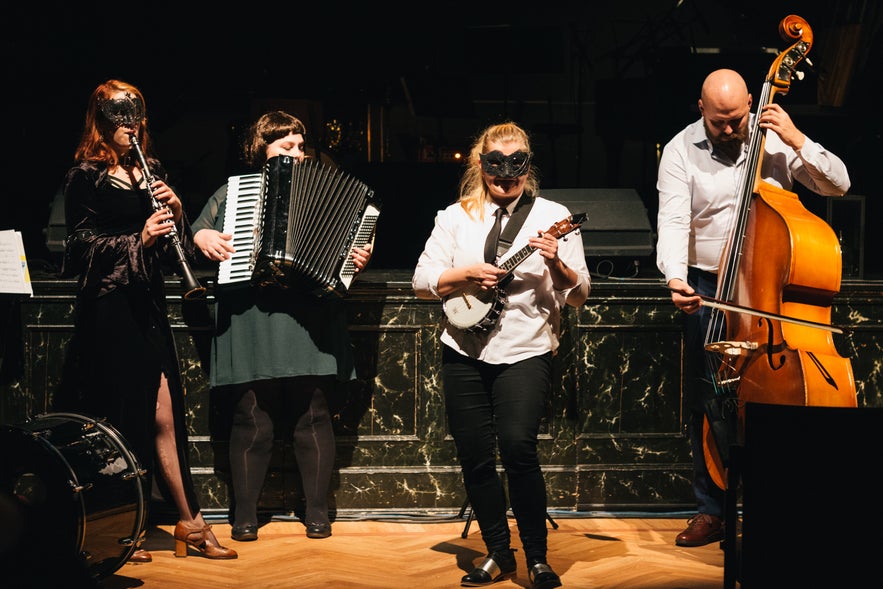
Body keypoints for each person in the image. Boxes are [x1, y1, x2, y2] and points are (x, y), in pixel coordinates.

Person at [656, 68, 851, 547]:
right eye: (719, 122)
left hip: (769, 286)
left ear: (750, 103)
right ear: (700, 109)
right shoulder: (680, 150)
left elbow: (838, 185)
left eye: (737, 119)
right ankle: (712, 508)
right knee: (712, 398)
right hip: (709, 286)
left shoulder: (775, 139)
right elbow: (674, 220)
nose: (729, 130)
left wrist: (797, 138)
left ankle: (779, 502)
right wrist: (675, 278)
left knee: (772, 396)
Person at [55, 79, 237, 562]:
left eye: (135, 117)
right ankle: (120, 528)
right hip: (108, 308)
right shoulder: (85, 177)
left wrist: (176, 212)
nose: (128, 126)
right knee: (117, 417)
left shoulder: (150, 168)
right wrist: (139, 240)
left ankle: (189, 522)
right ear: (101, 120)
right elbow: (76, 251)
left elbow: (167, 237)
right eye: (119, 117)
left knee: (164, 414)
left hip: (148, 303)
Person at [412, 121, 590, 589]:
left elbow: (580, 294)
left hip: (526, 350)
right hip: (463, 351)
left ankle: (537, 556)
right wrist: (465, 273)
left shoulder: (553, 215)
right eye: (495, 164)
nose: (505, 175)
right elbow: (422, 281)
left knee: (517, 448)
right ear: (480, 164)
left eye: (516, 164)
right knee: (474, 455)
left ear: (528, 166)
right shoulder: (454, 217)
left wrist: (556, 261)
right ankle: (497, 553)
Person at [191, 110, 373, 542]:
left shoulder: (325, 192)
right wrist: (202, 238)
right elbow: (197, 229)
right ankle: (245, 513)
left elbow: (352, 247)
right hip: (251, 313)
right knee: (251, 415)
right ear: (262, 151)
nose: (297, 152)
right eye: (285, 146)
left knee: (314, 413)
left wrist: (356, 260)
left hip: (309, 314)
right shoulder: (234, 192)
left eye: (300, 145)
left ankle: (316, 510)